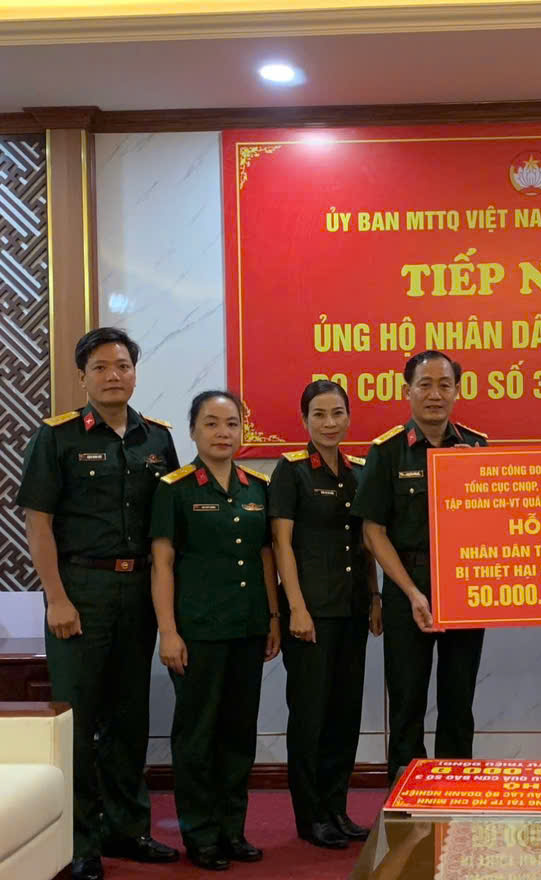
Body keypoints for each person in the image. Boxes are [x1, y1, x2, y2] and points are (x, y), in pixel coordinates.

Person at [17, 327, 181, 880]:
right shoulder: (57, 437)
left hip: (138, 592)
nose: (115, 376)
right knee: (80, 720)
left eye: (123, 366)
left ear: (135, 373)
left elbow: (166, 526)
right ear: (82, 377)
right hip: (80, 591)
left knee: (130, 716)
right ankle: (80, 840)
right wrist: (56, 598)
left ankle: (127, 829)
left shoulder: (157, 439)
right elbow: (38, 525)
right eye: (102, 368)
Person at [150, 390, 282, 871]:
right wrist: (168, 631)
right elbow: (162, 564)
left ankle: (232, 829)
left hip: (247, 627)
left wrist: (273, 617)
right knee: (198, 736)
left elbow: (266, 556)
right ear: (193, 431)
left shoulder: (256, 487)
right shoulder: (175, 488)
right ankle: (201, 834)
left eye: (231, 424)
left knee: (238, 733)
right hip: (198, 631)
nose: (223, 433)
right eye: (211, 423)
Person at [352, 350, 487, 783]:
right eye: (424, 385)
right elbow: (373, 532)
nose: (435, 394)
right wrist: (411, 592)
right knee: (407, 698)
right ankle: (406, 791)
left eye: (444, 385)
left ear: (457, 391)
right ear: (407, 391)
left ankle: (455, 787)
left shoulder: (476, 447)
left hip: (465, 587)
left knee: (458, 698)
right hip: (406, 585)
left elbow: (494, 523)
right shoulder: (388, 451)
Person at [270, 380, 382, 850]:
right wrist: (295, 607)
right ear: (304, 420)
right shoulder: (291, 471)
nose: (329, 423)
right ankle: (311, 815)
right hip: (311, 613)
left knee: (344, 713)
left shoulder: (358, 472)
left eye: (337, 413)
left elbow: (367, 540)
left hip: (352, 608)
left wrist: (374, 596)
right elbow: (281, 544)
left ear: (349, 417)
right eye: (319, 414)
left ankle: (336, 808)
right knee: (311, 716)